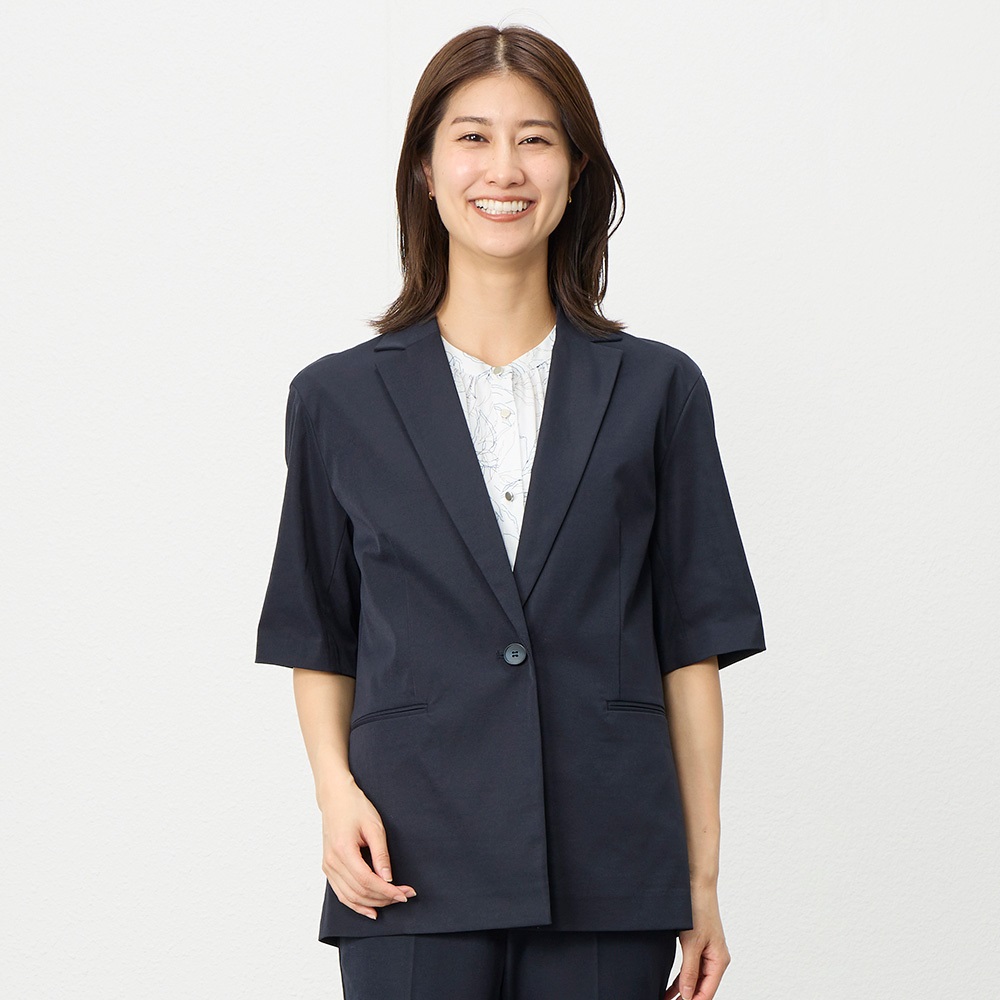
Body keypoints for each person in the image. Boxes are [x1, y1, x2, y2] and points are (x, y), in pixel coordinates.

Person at [254, 23, 766, 1000]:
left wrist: (699, 882)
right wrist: (334, 794)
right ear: (425, 169)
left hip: (610, 863)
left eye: (535, 138)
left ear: (577, 171)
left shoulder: (659, 388)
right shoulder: (335, 399)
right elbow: (319, 630)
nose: (504, 169)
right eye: (473, 137)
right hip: (405, 857)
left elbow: (690, 650)